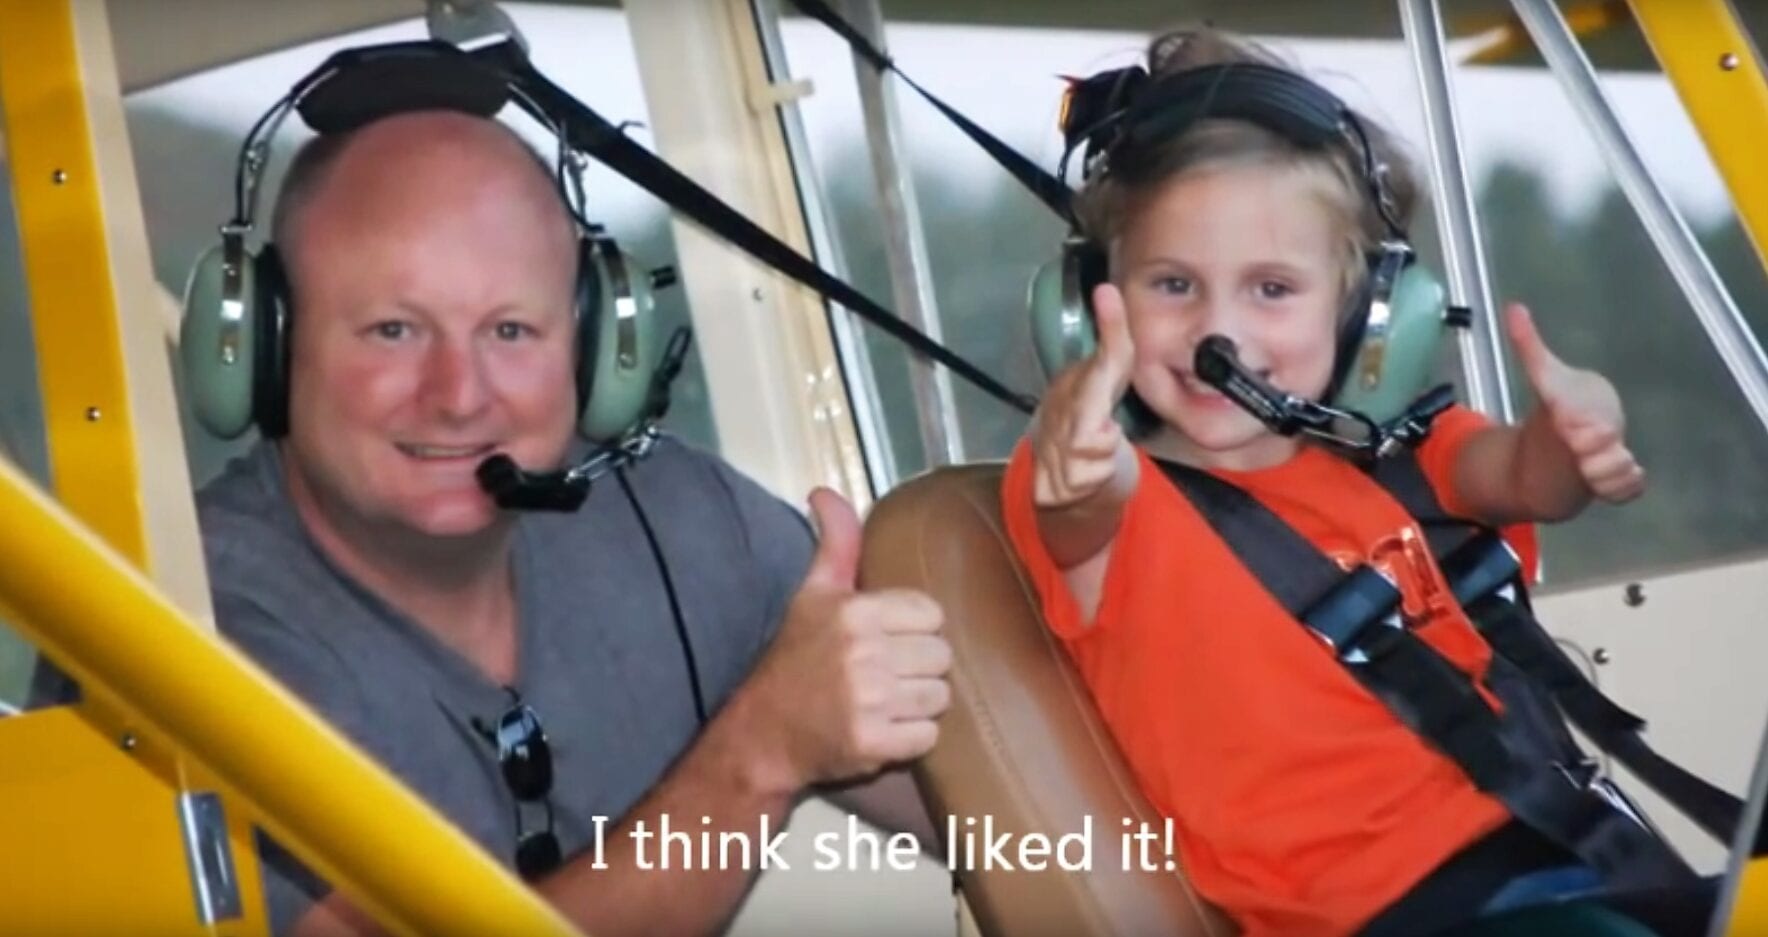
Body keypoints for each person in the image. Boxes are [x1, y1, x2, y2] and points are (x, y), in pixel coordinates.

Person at [196, 105, 950, 936]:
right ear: (267, 349)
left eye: (510, 330)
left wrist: (1061, 525)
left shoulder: (680, 520)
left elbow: (993, 790)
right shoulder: (186, 628)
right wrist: (756, 757)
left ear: (592, 350)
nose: (458, 395)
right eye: (393, 330)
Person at [1001, 29, 1658, 937]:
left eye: (1272, 288)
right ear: (1087, 306)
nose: (1219, 333)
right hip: (1396, 915)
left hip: (1557, 858)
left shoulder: (1393, 453)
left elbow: (1525, 477)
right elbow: (1082, 503)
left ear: (1365, 316)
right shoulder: (1106, 491)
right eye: (1173, 284)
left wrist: (1578, 431)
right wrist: (1076, 445)